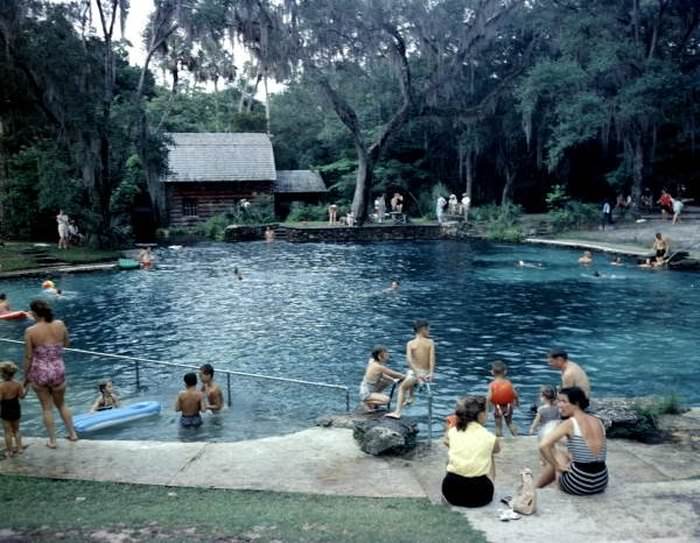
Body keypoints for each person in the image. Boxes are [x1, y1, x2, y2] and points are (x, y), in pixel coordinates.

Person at [23, 299, 78, 447]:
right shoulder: (60, 324)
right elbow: (67, 343)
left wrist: (26, 378)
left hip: (40, 371)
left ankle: (53, 441)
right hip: (58, 369)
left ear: (34, 313)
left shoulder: (30, 331)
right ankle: (72, 434)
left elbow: (28, 356)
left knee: (46, 408)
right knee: (61, 404)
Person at [537, 387, 608, 495]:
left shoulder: (570, 423)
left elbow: (543, 445)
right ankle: (539, 485)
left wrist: (557, 466)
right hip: (601, 481)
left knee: (555, 451)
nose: (559, 405)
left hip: (578, 484)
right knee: (569, 455)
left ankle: (536, 487)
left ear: (577, 403)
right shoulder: (598, 421)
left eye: (563, 401)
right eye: (559, 401)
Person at [442, 395, 500, 508]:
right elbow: (497, 450)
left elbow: (446, 442)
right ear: (481, 415)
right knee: (490, 453)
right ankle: (492, 482)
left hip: (451, 493)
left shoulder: (453, 431)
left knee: (452, 451)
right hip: (481, 497)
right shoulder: (489, 436)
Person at [387, 319, 435, 419]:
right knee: (409, 374)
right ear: (422, 329)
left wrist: (417, 374)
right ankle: (410, 397)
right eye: (428, 329)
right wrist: (431, 373)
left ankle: (397, 412)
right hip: (425, 373)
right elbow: (432, 359)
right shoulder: (430, 342)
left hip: (416, 373)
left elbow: (409, 360)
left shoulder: (410, 343)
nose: (429, 331)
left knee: (402, 388)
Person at [359, 345, 405, 411]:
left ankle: (373, 401)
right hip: (366, 393)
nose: (388, 356)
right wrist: (407, 377)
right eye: (386, 354)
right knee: (387, 400)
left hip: (367, 388)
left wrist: (393, 380)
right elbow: (395, 374)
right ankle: (366, 402)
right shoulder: (378, 367)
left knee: (386, 381)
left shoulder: (372, 361)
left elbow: (382, 375)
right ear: (380, 357)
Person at [486, 360, 519, 437]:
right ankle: (516, 436)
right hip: (508, 406)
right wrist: (517, 402)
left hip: (497, 407)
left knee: (498, 426)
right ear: (505, 372)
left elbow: (489, 397)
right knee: (510, 423)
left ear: (492, 372)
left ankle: (499, 439)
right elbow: (515, 394)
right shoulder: (508, 383)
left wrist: (487, 407)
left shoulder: (492, 384)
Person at [0, 362, 26, 457]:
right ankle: (19, 448)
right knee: (17, 430)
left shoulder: (1, 386)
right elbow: (22, 396)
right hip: (15, 408)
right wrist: (26, 388)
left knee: (7, 432)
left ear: (2, 373)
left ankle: (10, 451)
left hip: (5, 409)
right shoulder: (18, 384)